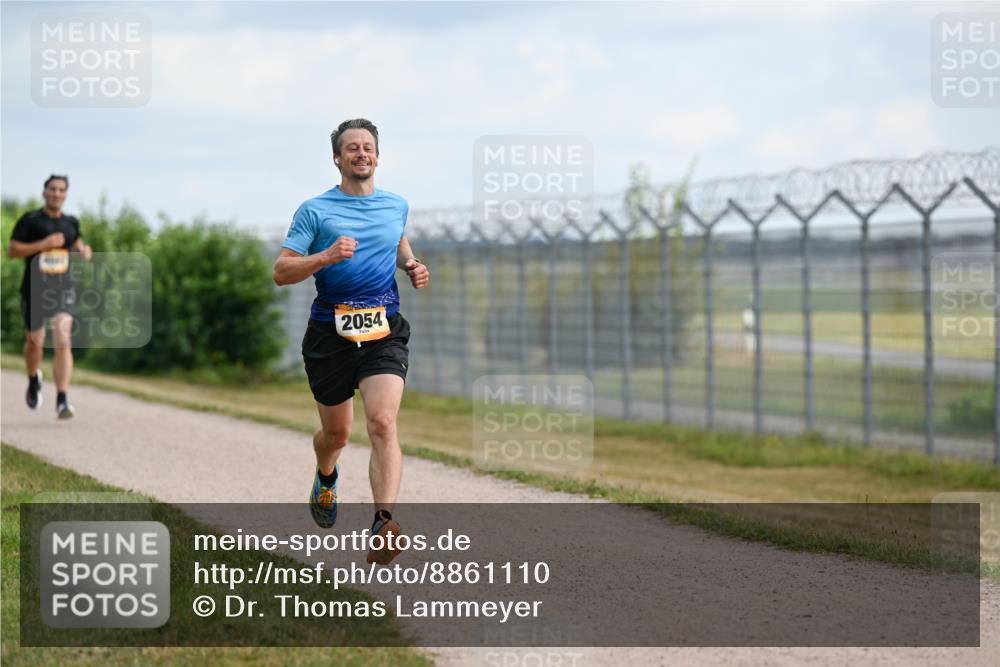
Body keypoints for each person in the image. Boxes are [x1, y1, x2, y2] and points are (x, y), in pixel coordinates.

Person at [273, 119, 429, 565]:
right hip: (330, 334)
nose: (361, 153)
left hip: (383, 328)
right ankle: (326, 476)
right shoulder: (314, 211)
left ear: (377, 156)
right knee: (336, 434)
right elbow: (281, 272)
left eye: (368, 147)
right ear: (337, 159)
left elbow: (397, 239)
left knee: (381, 422)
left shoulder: (396, 204)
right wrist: (324, 256)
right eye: (352, 148)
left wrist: (413, 265)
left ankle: (383, 522)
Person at [8, 174, 93, 418]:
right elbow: (13, 251)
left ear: (66, 195)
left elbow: (77, 243)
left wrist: (83, 251)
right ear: (44, 192)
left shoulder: (71, 222)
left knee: (63, 338)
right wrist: (42, 244)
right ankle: (34, 378)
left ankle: (62, 399)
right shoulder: (30, 220)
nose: (56, 193)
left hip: (63, 288)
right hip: (34, 289)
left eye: (61, 190)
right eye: (52, 189)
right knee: (35, 340)